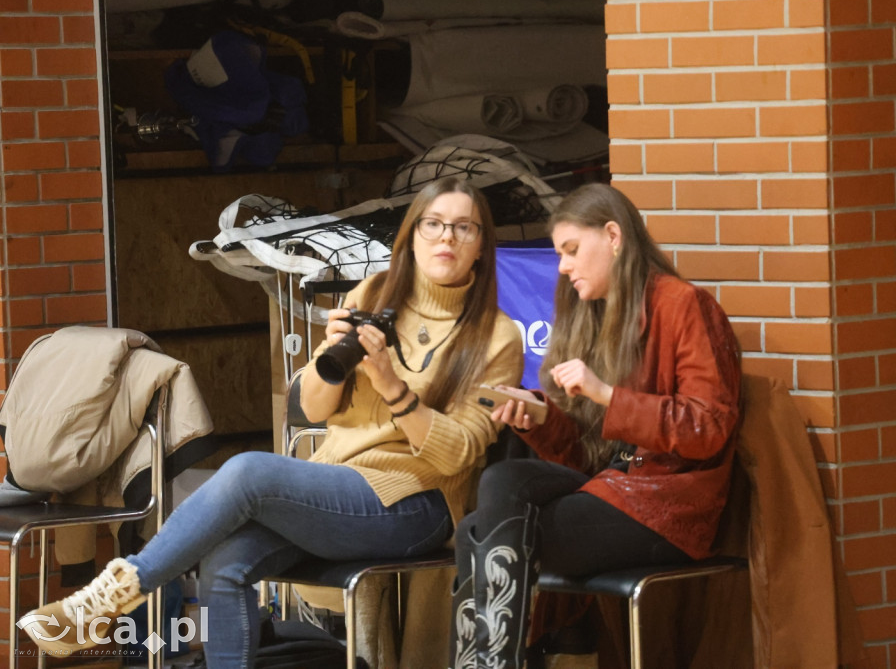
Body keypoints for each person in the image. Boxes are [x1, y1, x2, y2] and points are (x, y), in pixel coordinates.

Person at [21, 176, 524, 667]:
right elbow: (313, 408)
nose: (446, 238)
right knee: (225, 563)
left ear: (482, 246)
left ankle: (108, 598)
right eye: (433, 224)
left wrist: (392, 385)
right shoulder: (373, 294)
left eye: (464, 227)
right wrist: (331, 353)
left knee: (249, 471)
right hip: (339, 483)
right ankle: (111, 603)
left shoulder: (497, 337)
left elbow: (459, 453)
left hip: (418, 505)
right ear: (411, 236)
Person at [449, 183, 743, 669]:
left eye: (571, 250)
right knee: (498, 487)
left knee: (481, 535)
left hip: (666, 504)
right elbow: (585, 457)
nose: (563, 266)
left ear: (613, 236)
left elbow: (708, 426)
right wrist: (540, 419)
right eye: (559, 254)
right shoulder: (591, 314)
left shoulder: (684, 304)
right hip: (610, 486)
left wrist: (607, 394)